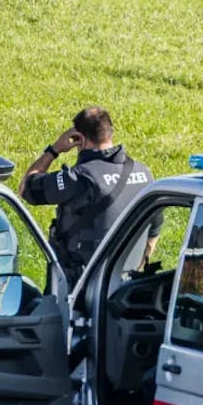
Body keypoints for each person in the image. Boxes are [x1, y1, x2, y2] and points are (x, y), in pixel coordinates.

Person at [19, 106, 156, 282]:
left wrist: (54, 150)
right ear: (110, 133)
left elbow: (26, 188)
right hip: (124, 286)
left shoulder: (78, 178)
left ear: (80, 139)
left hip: (78, 288)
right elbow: (153, 232)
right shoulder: (144, 173)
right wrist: (134, 273)